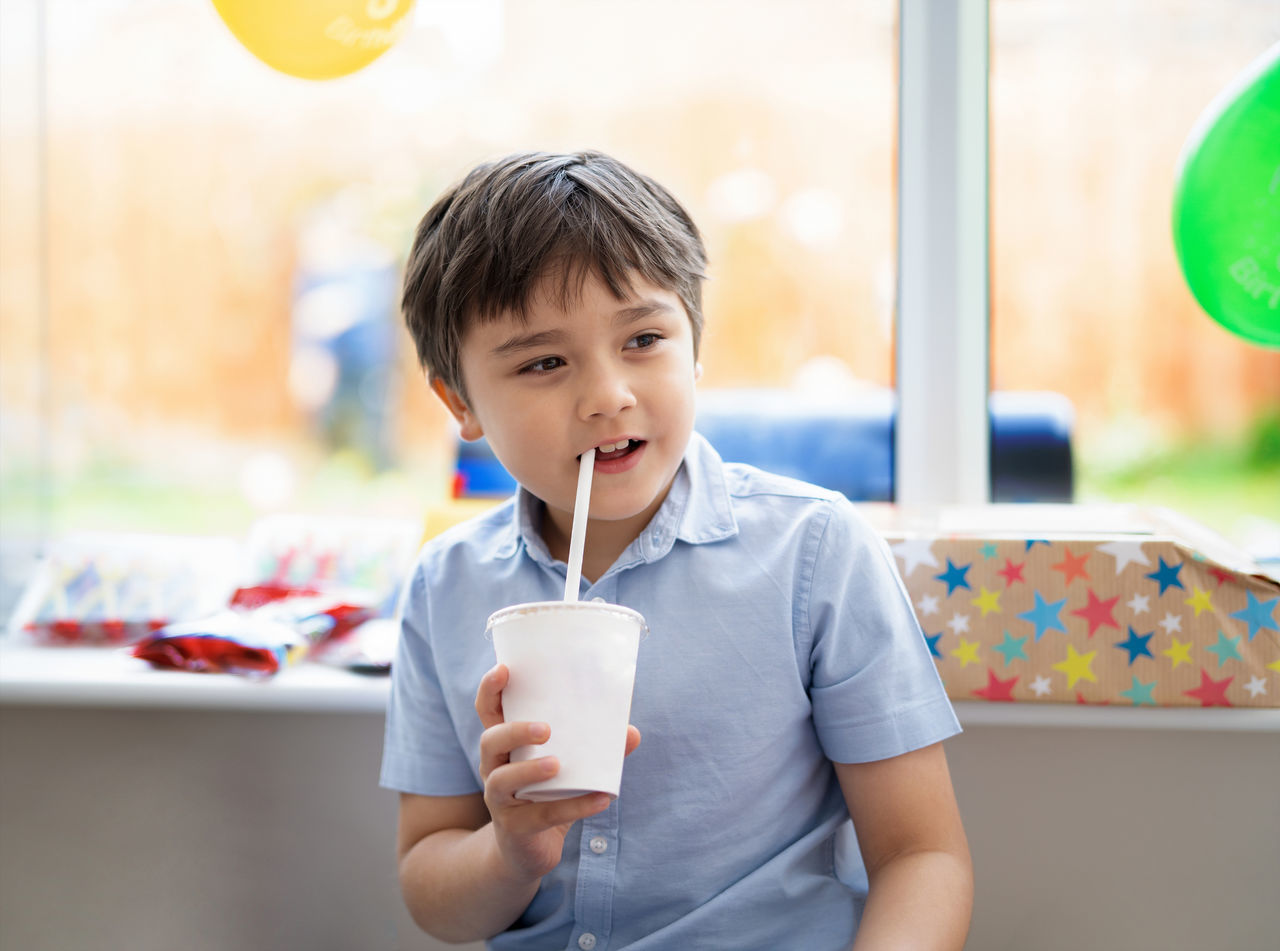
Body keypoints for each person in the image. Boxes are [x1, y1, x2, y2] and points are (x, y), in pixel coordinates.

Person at [381, 150, 972, 950]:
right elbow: (432, 891)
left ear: (695, 345)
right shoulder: (444, 587)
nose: (607, 395)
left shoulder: (816, 551)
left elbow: (922, 855)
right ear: (461, 401)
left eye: (645, 338)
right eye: (544, 362)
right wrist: (510, 847)